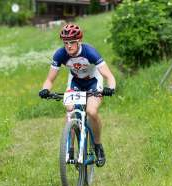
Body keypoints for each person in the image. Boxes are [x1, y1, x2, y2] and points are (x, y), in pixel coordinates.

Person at [39, 23, 116, 167]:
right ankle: (70, 149)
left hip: (93, 81)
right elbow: (50, 79)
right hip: (75, 82)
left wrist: (110, 88)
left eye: (72, 42)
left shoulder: (90, 52)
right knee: (70, 109)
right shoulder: (60, 54)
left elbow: (109, 75)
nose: (68, 46)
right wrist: (45, 90)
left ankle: (98, 147)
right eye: (66, 43)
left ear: (79, 41)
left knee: (91, 111)